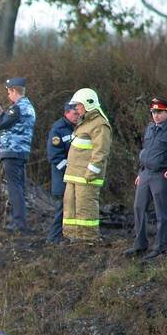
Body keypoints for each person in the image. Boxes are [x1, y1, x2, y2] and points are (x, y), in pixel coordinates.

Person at [125, 97, 167, 259]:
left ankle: (161, 247)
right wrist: (140, 171)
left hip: (161, 175)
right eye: (154, 112)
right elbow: (146, 151)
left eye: (160, 112)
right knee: (139, 208)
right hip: (146, 173)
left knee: (162, 213)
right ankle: (140, 244)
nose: (156, 115)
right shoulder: (150, 128)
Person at [62, 88, 112, 244]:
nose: (76, 109)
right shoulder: (85, 122)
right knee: (70, 207)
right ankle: (72, 236)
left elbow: (101, 152)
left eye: (79, 105)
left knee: (85, 208)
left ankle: (89, 238)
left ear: (88, 105)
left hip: (87, 177)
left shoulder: (100, 124)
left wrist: (91, 173)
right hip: (74, 175)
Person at [0, 77, 37, 233]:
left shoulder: (17, 108)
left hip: (12, 150)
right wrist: (4, 113)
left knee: (14, 187)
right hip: (22, 151)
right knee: (19, 187)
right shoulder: (28, 107)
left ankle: (19, 223)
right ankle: (20, 221)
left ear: (14, 91)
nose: (8, 96)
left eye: (9, 92)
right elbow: (13, 122)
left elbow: (0, 124)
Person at [46, 101, 82, 243]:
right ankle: (53, 237)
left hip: (74, 177)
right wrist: (69, 170)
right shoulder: (58, 129)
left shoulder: (77, 128)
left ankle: (65, 235)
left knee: (71, 208)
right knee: (63, 207)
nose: (77, 116)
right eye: (74, 114)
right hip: (62, 178)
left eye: (78, 114)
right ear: (66, 113)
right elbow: (54, 156)